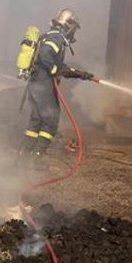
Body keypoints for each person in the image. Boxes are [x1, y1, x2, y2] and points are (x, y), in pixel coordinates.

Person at [21, 9, 94, 163]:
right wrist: (54, 70)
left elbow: (60, 66)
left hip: (36, 85)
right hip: (44, 86)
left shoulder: (50, 35)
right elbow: (45, 55)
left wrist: (80, 74)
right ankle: (36, 158)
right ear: (68, 26)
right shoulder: (56, 38)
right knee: (51, 120)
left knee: (36, 120)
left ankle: (24, 155)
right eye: (73, 28)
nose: (73, 32)